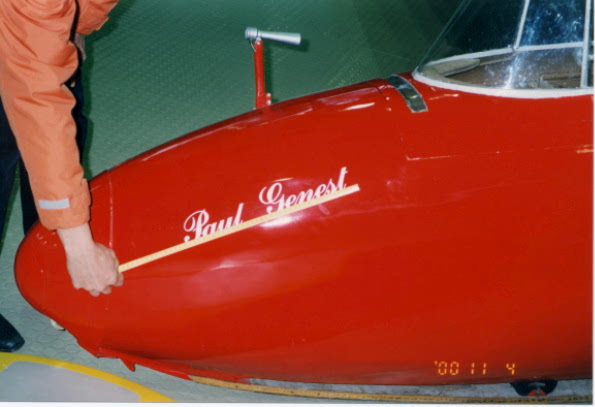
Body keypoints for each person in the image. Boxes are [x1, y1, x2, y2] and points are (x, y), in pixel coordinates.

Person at [0, 0, 124, 352]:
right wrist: (80, 247)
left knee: (66, 129)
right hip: (21, 22)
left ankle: (47, 271)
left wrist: (73, 28)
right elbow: (38, 106)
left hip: (37, 26)